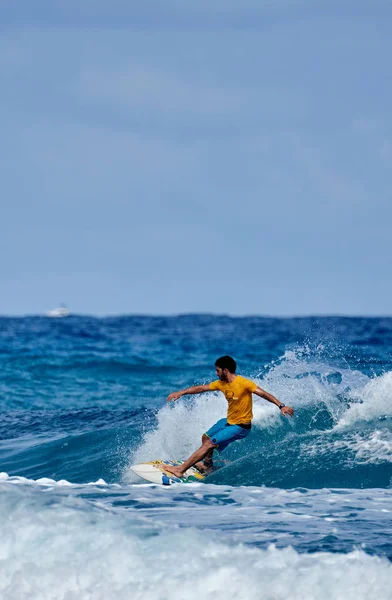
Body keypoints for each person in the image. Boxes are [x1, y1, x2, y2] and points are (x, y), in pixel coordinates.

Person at [161, 355, 294, 478]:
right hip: (229, 421)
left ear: (225, 370)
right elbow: (201, 388)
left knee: (208, 444)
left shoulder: (244, 383)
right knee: (205, 437)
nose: (216, 373)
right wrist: (181, 392)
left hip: (241, 427)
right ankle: (207, 465)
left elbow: (265, 394)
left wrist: (281, 406)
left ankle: (180, 470)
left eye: (218, 370)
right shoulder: (221, 384)